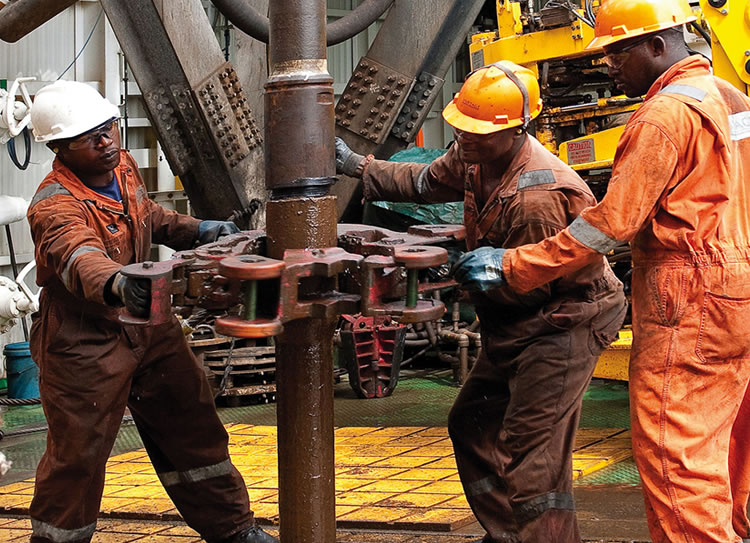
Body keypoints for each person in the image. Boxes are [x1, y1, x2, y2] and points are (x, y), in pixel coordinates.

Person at [451, 1, 750, 541]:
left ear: (656, 45)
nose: (607, 66)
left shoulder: (661, 116)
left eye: (616, 52)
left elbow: (609, 227)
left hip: (689, 296)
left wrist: (513, 265)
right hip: (740, 290)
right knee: (728, 442)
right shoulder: (732, 100)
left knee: (676, 457)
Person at [336, 61, 626, 543]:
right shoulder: (475, 153)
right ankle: (511, 534)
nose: (463, 137)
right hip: (516, 319)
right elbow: (425, 183)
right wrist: (357, 167)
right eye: (460, 126)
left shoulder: (538, 198)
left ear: (516, 130)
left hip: (562, 321)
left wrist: (453, 268)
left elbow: (528, 287)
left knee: (533, 456)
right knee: (472, 423)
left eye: (476, 131)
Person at [25, 80, 276, 543]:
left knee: (192, 426)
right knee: (78, 457)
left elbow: (148, 216)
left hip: (150, 326)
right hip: (85, 340)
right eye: (90, 137)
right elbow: (78, 255)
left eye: (109, 128)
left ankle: (234, 530)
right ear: (59, 148)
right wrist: (118, 283)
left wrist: (198, 229)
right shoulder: (54, 204)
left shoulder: (122, 166)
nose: (106, 141)